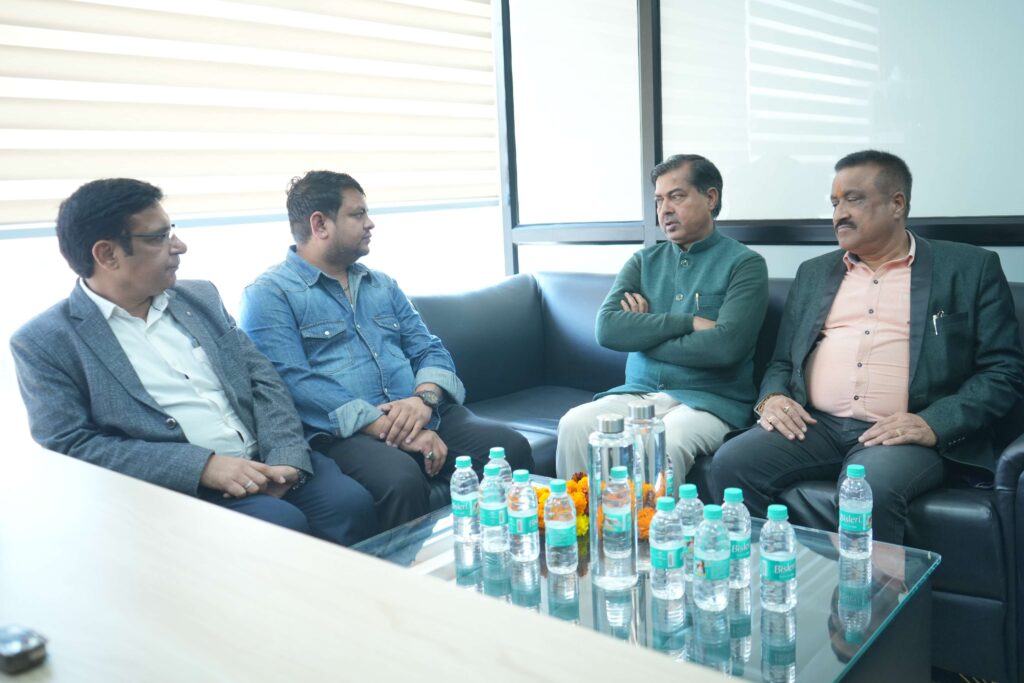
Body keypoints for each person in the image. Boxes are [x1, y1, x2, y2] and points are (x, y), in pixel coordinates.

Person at [10, 179, 377, 546]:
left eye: (171, 231)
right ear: (107, 255)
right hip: (184, 489)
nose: (179, 246)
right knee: (279, 524)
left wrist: (285, 456)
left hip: (268, 458)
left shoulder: (200, 297)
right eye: (159, 237)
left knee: (349, 503)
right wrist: (202, 467)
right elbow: (72, 446)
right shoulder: (45, 342)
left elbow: (262, 378)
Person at [711, 150, 1024, 544]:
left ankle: (870, 587)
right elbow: (782, 361)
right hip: (817, 425)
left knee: (867, 491)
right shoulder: (814, 273)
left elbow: (1002, 371)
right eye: (834, 203)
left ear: (897, 204)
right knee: (731, 463)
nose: (839, 214)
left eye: (853, 199)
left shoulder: (969, 268)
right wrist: (772, 398)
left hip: (901, 430)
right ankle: (770, 574)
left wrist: (933, 423)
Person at [239, 170, 532, 530]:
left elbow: (429, 349)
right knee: (400, 480)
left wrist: (424, 400)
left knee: (510, 448)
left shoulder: (381, 285)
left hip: (424, 413)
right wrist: (388, 427)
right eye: (357, 214)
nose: (370, 223)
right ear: (320, 224)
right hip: (343, 435)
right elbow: (295, 383)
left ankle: (499, 552)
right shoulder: (269, 294)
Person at [555, 154, 768, 480]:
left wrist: (642, 335)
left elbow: (725, 348)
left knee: (661, 439)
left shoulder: (744, 264)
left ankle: (652, 517)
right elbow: (607, 330)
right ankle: (585, 513)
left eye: (676, 196)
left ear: (710, 198)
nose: (664, 209)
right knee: (574, 424)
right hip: (636, 393)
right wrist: (687, 322)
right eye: (659, 200)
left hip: (709, 403)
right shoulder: (643, 262)